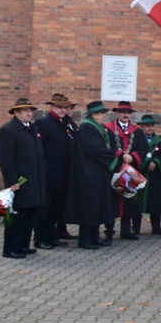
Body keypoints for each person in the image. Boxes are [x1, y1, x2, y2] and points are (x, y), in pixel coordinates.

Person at [66, 101, 126, 249]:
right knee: (89, 205)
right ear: (94, 115)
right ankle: (85, 239)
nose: (104, 116)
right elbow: (96, 150)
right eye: (101, 113)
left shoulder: (98, 128)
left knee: (97, 205)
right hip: (88, 172)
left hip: (98, 172)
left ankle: (94, 235)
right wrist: (115, 163)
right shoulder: (87, 128)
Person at [0, 98, 46, 258]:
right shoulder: (8, 130)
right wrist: (12, 181)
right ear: (16, 113)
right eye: (25, 111)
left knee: (30, 215)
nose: (29, 113)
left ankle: (23, 245)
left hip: (34, 180)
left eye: (30, 110)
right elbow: (5, 158)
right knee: (18, 216)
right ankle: (10, 248)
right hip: (20, 182)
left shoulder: (31, 128)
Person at [34, 93, 76, 248]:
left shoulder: (63, 123)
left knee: (56, 209)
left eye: (65, 108)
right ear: (52, 107)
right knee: (45, 209)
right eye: (59, 107)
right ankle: (40, 238)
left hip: (62, 174)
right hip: (49, 174)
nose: (62, 110)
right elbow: (39, 149)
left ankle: (52, 236)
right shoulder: (44, 123)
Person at [106, 101, 143, 240]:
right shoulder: (108, 129)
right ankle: (109, 230)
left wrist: (132, 157)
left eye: (128, 112)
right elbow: (107, 147)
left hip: (130, 170)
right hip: (114, 169)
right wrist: (121, 156)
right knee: (111, 200)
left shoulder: (136, 131)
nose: (125, 115)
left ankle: (126, 231)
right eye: (122, 112)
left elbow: (142, 149)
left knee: (129, 199)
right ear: (117, 113)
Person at [132, 114, 161, 236]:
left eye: (151, 126)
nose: (150, 128)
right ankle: (136, 227)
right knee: (137, 202)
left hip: (155, 176)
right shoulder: (136, 140)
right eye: (147, 126)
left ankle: (156, 226)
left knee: (156, 201)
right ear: (142, 127)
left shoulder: (160, 141)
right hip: (140, 174)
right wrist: (145, 163)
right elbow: (134, 153)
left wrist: (156, 163)